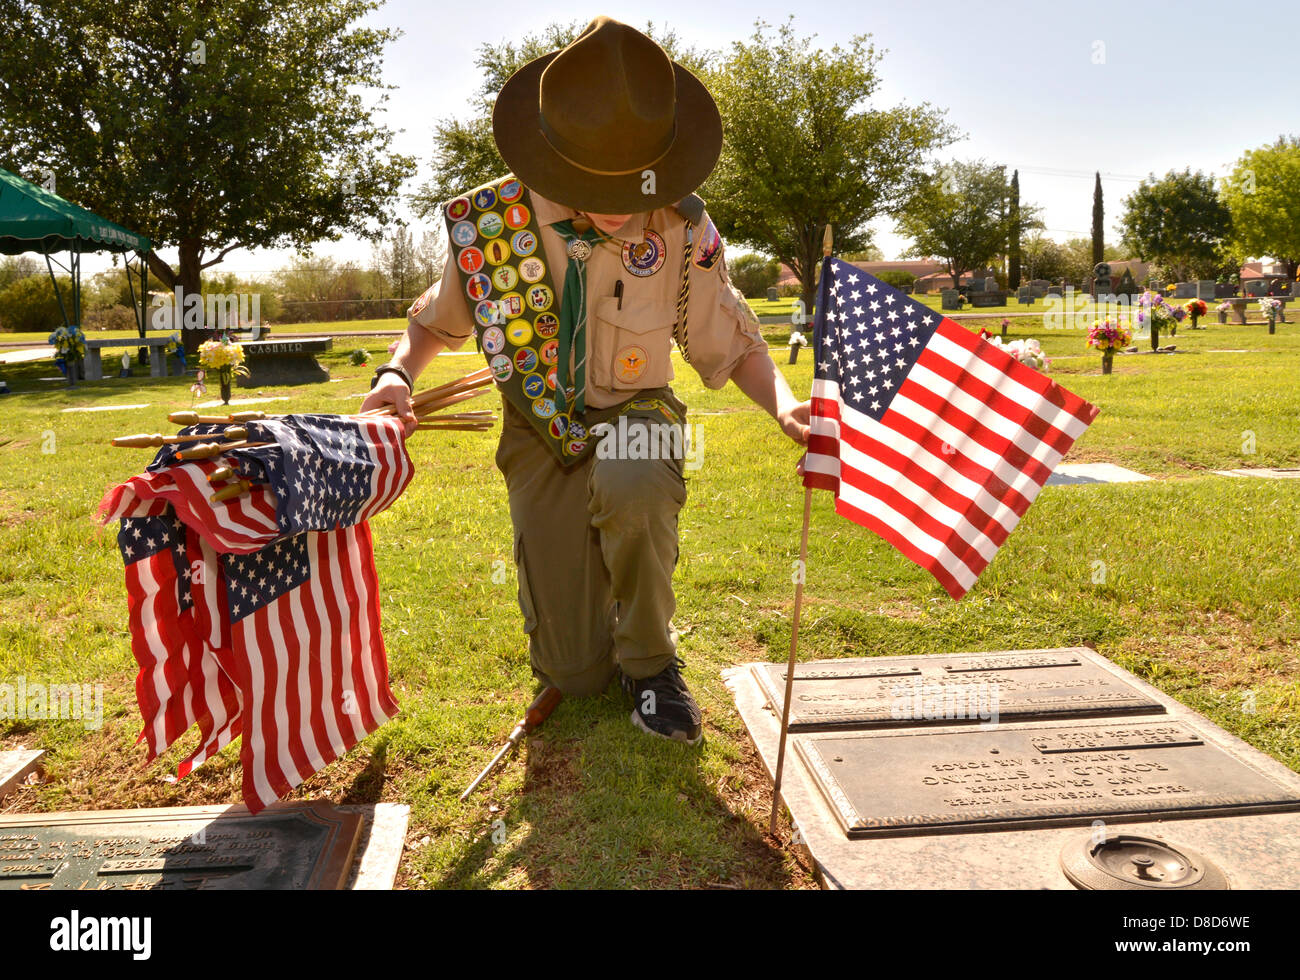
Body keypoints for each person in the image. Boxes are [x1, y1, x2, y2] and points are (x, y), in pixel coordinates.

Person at [361, 17, 809, 745]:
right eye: (595, 182)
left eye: (635, 181)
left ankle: (653, 662)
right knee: (573, 674)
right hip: (539, 429)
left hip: (638, 410)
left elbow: (727, 337)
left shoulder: (683, 225)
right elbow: (435, 324)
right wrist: (394, 376)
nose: (619, 202)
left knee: (632, 486)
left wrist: (788, 406)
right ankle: (599, 630)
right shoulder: (492, 223)